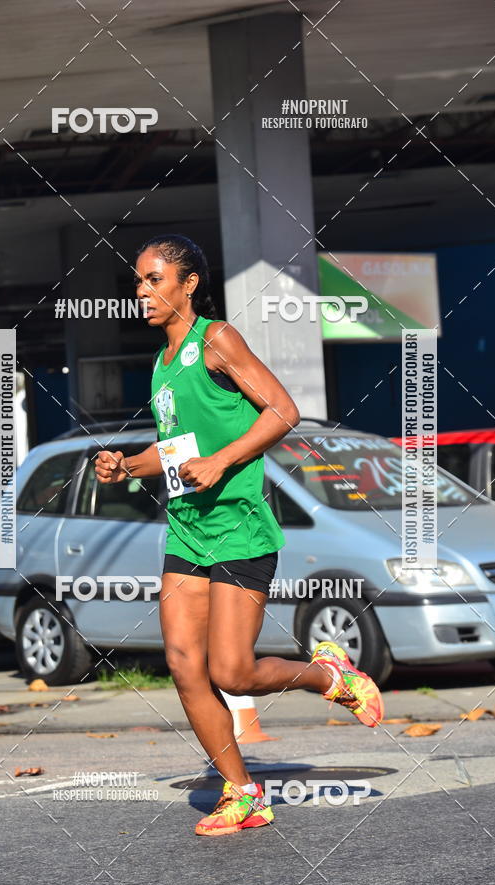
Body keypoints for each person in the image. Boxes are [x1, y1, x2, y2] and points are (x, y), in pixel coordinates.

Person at [95, 234, 384, 836]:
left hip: (240, 530)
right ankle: (244, 791)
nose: (141, 292)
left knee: (232, 672)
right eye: (138, 281)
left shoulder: (217, 341)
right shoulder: (162, 363)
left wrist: (224, 461)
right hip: (187, 529)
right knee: (181, 663)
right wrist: (128, 464)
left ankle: (331, 675)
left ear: (188, 283)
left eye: (154, 280)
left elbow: (282, 410)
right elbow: (176, 449)